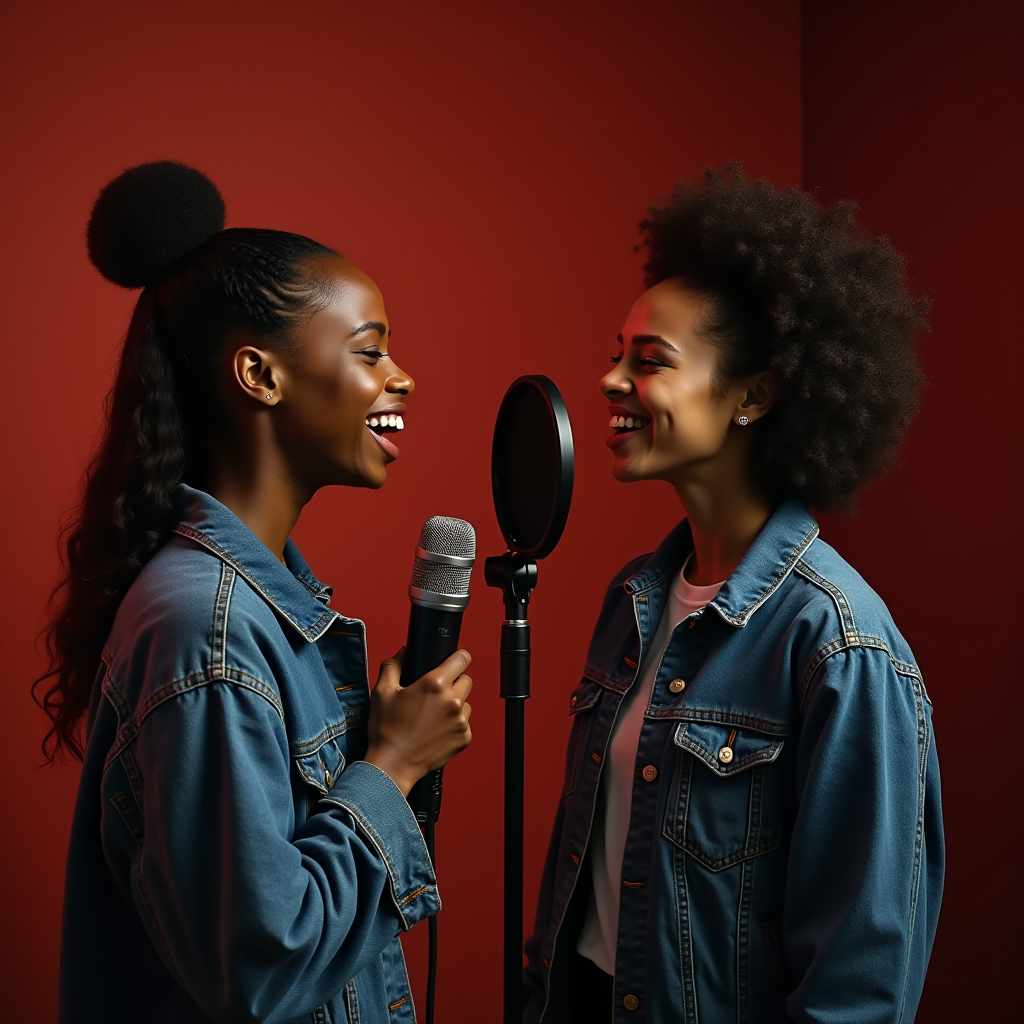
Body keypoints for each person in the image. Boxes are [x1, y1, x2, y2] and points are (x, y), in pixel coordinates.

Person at [35, 161, 474, 1024]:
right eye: (370, 350)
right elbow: (261, 970)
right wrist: (392, 766)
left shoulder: (257, 612)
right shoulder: (210, 627)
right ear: (260, 376)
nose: (403, 376)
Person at [523, 166, 943, 1023]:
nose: (610, 381)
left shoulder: (840, 644)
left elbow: (859, 984)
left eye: (650, 362)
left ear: (753, 396)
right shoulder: (632, 601)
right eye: (617, 355)